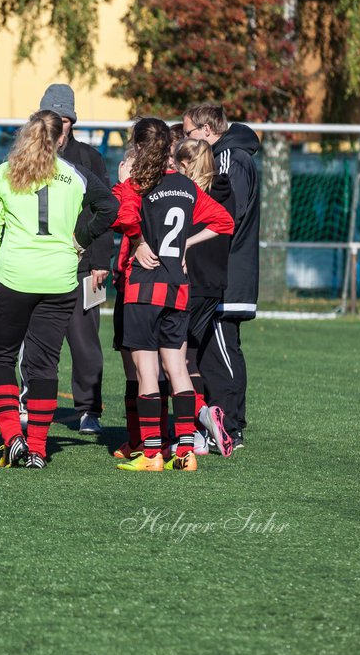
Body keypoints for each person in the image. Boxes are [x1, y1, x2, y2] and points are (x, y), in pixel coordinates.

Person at [0, 110, 118, 470]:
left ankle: (13, 437)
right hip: (60, 279)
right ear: (60, 139)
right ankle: (38, 449)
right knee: (45, 364)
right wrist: (81, 239)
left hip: (13, 277)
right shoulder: (75, 174)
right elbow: (110, 207)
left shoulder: (6, 172)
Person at [111, 118, 233, 472]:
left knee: (147, 373)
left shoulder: (137, 185)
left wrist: (137, 239)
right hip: (178, 289)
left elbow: (121, 215)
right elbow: (224, 222)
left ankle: (151, 455)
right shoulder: (185, 186)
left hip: (144, 288)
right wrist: (183, 246)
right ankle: (185, 452)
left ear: (137, 148)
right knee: (178, 370)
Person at [25, 83, 114, 437]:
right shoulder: (23, 158)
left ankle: (89, 409)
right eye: (52, 120)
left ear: (71, 121)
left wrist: (100, 260)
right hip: (36, 267)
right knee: (35, 342)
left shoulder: (90, 158)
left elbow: (105, 210)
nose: (59, 128)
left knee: (85, 343)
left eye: (64, 120)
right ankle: (29, 402)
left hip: (81, 268)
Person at [182, 104, 260, 449]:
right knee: (220, 349)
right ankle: (229, 421)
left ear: (207, 131)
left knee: (220, 349)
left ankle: (229, 426)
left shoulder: (229, 158)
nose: (186, 141)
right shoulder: (230, 154)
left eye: (189, 134)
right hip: (222, 270)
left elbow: (229, 211)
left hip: (226, 272)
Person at [174, 138, 235, 456]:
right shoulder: (224, 188)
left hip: (188, 283)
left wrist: (186, 244)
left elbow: (219, 225)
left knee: (171, 357)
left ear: (186, 164)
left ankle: (195, 423)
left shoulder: (186, 192)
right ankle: (197, 428)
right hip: (214, 286)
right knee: (191, 357)